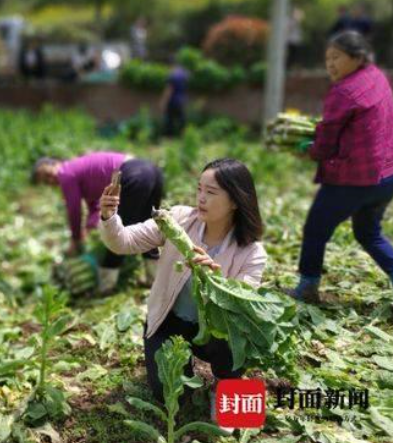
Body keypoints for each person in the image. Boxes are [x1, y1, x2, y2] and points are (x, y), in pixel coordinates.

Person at [98, 158, 267, 431]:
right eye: (199, 189)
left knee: (238, 339)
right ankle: (182, 366)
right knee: (171, 396)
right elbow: (123, 242)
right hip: (170, 320)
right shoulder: (177, 219)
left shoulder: (252, 252)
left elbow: (243, 307)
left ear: (235, 200)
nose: (201, 198)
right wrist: (109, 217)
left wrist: (214, 278)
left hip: (215, 329)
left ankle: (227, 385)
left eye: (211, 193)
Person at [286, 31, 393, 304]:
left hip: (354, 179)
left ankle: (308, 287)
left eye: (336, 57)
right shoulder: (377, 78)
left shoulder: (342, 91)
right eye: (326, 59)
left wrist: (308, 150)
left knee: (315, 229)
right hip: (386, 176)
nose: (330, 64)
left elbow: (326, 141)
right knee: (368, 233)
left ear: (357, 57)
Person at [32, 152, 164, 293]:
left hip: (133, 174)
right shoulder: (78, 170)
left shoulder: (65, 173)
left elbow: (74, 209)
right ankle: (154, 278)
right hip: (152, 171)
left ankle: (106, 287)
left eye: (47, 174)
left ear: (56, 163)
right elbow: (95, 204)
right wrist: (90, 225)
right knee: (146, 225)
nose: (50, 180)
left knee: (117, 235)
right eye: (46, 181)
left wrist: (76, 240)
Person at [158, 63, 189, 137]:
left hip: (172, 102)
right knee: (182, 121)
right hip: (181, 101)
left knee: (169, 122)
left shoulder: (172, 76)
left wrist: (163, 102)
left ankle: (168, 140)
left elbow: (169, 90)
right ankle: (185, 138)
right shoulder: (184, 74)